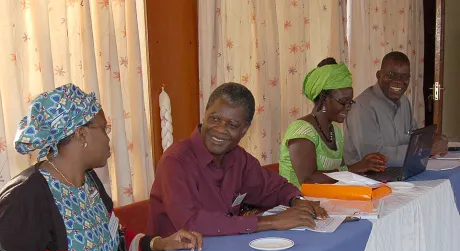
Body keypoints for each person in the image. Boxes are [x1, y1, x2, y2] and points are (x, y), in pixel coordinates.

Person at [0, 84, 203, 251]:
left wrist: (162, 243)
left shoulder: (88, 181)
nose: (108, 139)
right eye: (104, 129)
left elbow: (116, 239)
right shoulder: (25, 197)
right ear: (81, 135)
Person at [147, 82, 328, 238]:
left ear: (244, 130)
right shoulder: (176, 160)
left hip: (225, 248)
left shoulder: (237, 157)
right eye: (215, 118)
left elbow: (274, 188)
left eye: (232, 125)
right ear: (205, 115)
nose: (220, 129)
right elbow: (191, 223)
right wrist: (271, 221)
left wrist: (297, 202)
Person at [279, 58, 387, 188]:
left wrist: (365, 166)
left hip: (326, 201)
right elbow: (308, 180)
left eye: (350, 102)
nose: (348, 107)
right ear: (323, 99)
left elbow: (338, 174)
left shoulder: (335, 132)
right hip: (298, 203)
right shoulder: (301, 132)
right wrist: (355, 168)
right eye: (343, 101)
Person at [343, 51, 449, 166]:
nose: (398, 81)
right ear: (378, 75)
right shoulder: (362, 106)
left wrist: (432, 140)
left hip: (398, 172)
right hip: (364, 179)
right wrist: (425, 149)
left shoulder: (403, 101)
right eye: (390, 74)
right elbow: (373, 158)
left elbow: (414, 138)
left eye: (404, 76)